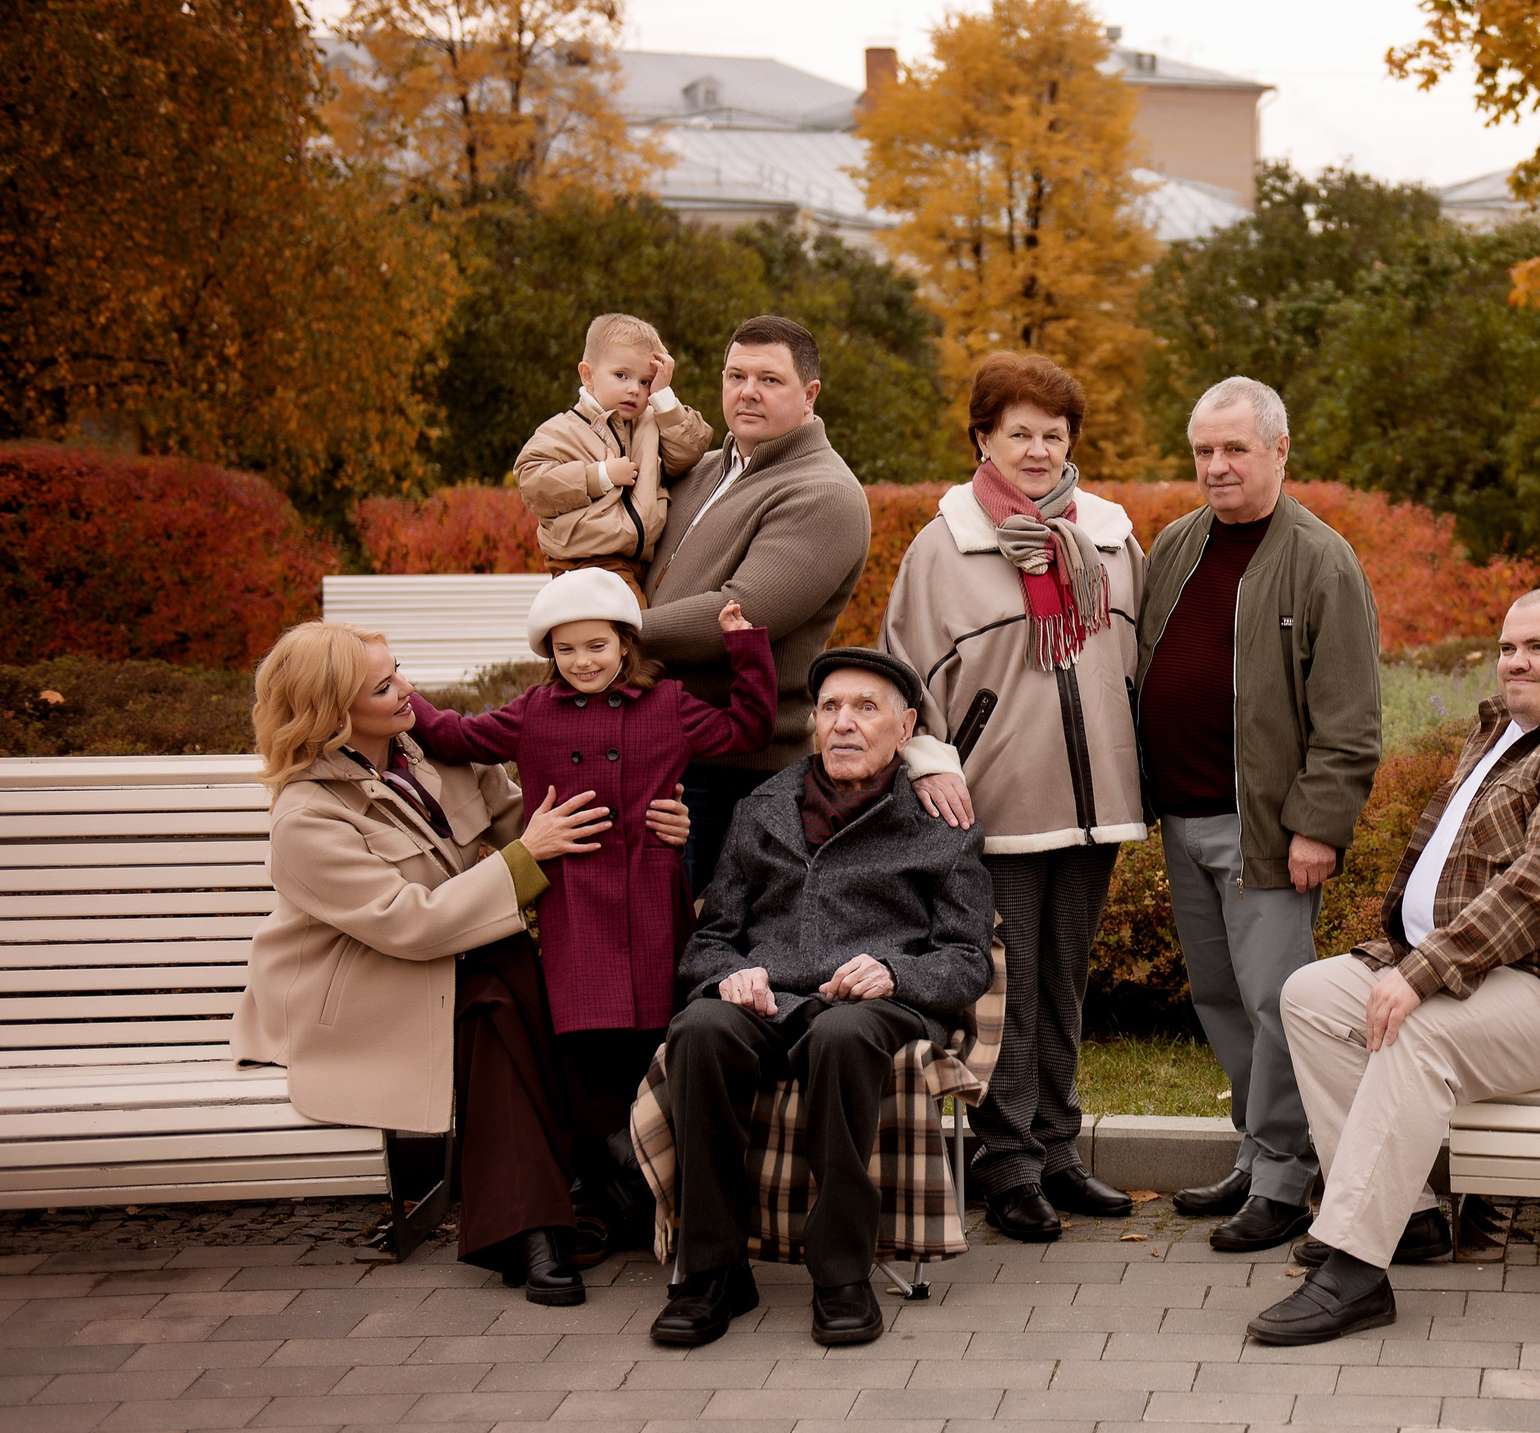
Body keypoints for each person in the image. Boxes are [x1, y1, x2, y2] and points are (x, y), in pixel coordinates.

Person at [1248, 588, 1540, 1344]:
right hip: (1491, 972)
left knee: (1419, 1032)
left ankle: (1352, 1269)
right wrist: (1411, 959)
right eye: (1509, 646)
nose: (1517, 661)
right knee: (1313, 996)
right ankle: (1405, 1222)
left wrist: (1420, 973)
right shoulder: (1510, 732)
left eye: (1539, 647)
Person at [228, 621, 694, 1304]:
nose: (407, 691)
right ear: (332, 713)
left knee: (501, 985)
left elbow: (539, 821)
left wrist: (661, 830)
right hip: (364, 987)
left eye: (400, 671)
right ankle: (609, 1160)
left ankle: (538, 1222)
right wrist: (526, 857)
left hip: (459, 965)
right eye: (384, 686)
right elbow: (408, 924)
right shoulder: (307, 816)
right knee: (496, 981)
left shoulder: (429, 753)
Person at [405, 568, 776, 1263]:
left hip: (649, 894)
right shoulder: (533, 712)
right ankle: (605, 1182)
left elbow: (747, 726)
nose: (583, 661)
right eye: (566, 648)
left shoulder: (667, 702)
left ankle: (636, 1186)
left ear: (624, 642)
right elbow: (457, 737)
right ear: (550, 653)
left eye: (596, 645)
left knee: (650, 1039)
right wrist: (405, 699)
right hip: (572, 903)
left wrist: (744, 645)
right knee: (582, 1044)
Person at [649, 648, 996, 1350]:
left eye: (866, 708)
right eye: (832, 707)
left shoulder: (939, 825)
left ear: (906, 730)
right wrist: (729, 975)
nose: (844, 723)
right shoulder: (762, 809)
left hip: (871, 1007)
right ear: (813, 722)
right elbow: (710, 939)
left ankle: (840, 1273)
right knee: (701, 1028)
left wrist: (896, 971)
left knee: (842, 1035)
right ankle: (711, 1271)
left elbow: (968, 959)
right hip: (767, 1001)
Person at [882, 352, 1148, 1242]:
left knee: (1064, 984)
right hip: (991, 805)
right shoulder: (941, 546)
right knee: (1010, 993)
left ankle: (1060, 1151)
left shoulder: (1110, 535)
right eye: (1019, 433)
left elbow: (1134, 661)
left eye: (1053, 434)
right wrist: (931, 761)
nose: (1037, 450)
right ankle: (1008, 1165)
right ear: (983, 439)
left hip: (1096, 799)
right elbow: (906, 677)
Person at [1135, 376, 1383, 1252]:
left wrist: (1319, 823)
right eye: (1204, 450)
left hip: (1267, 830)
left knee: (1280, 1002)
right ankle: (1257, 1149)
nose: (1217, 465)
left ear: (1280, 450)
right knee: (1219, 994)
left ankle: (1285, 1176)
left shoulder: (1321, 559)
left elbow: (1350, 717)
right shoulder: (1176, 544)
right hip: (1185, 817)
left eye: (1235, 448)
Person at [642, 314, 872, 884]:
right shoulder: (703, 471)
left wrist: (605, 626)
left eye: (769, 379)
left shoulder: (824, 493)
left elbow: (741, 614)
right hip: (666, 748)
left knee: (717, 957)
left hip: (739, 775)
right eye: (734, 375)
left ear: (810, 393)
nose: (747, 392)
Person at [514, 312, 717, 605]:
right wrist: (600, 476)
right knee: (627, 635)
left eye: (646, 381)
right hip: (585, 560)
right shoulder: (562, 430)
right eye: (621, 376)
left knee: (620, 639)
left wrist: (664, 398)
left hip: (640, 561)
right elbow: (533, 484)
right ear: (588, 375)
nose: (634, 388)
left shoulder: (651, 423)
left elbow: (687, 452)